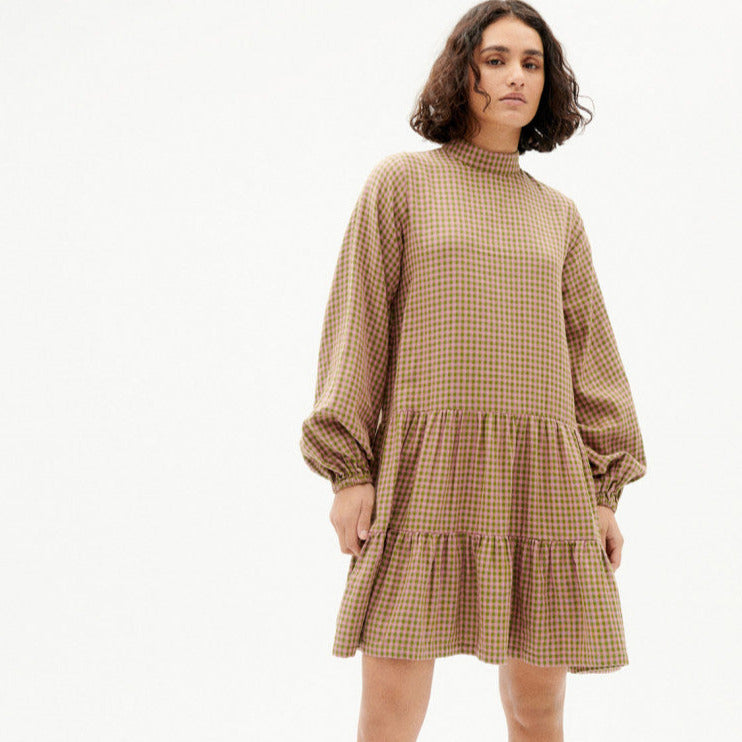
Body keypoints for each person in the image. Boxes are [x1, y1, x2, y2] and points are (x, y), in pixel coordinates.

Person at [299, 1, 647, 740]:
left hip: (540, 483)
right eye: (496, 59)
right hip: (425, 472)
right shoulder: (401, 184)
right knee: (389, 715)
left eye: (532, 63)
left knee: (536, 712)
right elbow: (357, 327)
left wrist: (602, 493)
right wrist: (349, 473)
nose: (516, 76)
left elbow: (591, 355)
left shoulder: (558, 215)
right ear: (464, 74)